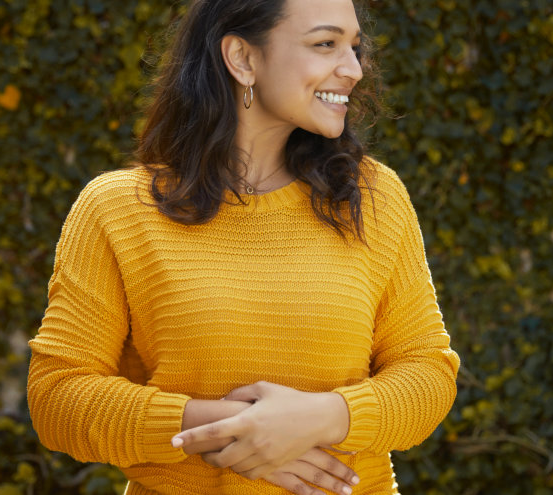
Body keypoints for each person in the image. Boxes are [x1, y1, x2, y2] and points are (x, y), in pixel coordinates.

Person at [26, 0, 460, 493]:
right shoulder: (117, 210)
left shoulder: (372, 198)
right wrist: (232, 433)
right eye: (325, 44)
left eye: (355, 47)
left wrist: (322, 418)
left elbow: (428, 372)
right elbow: (56, 398)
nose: (353, 69)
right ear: (242, 58)